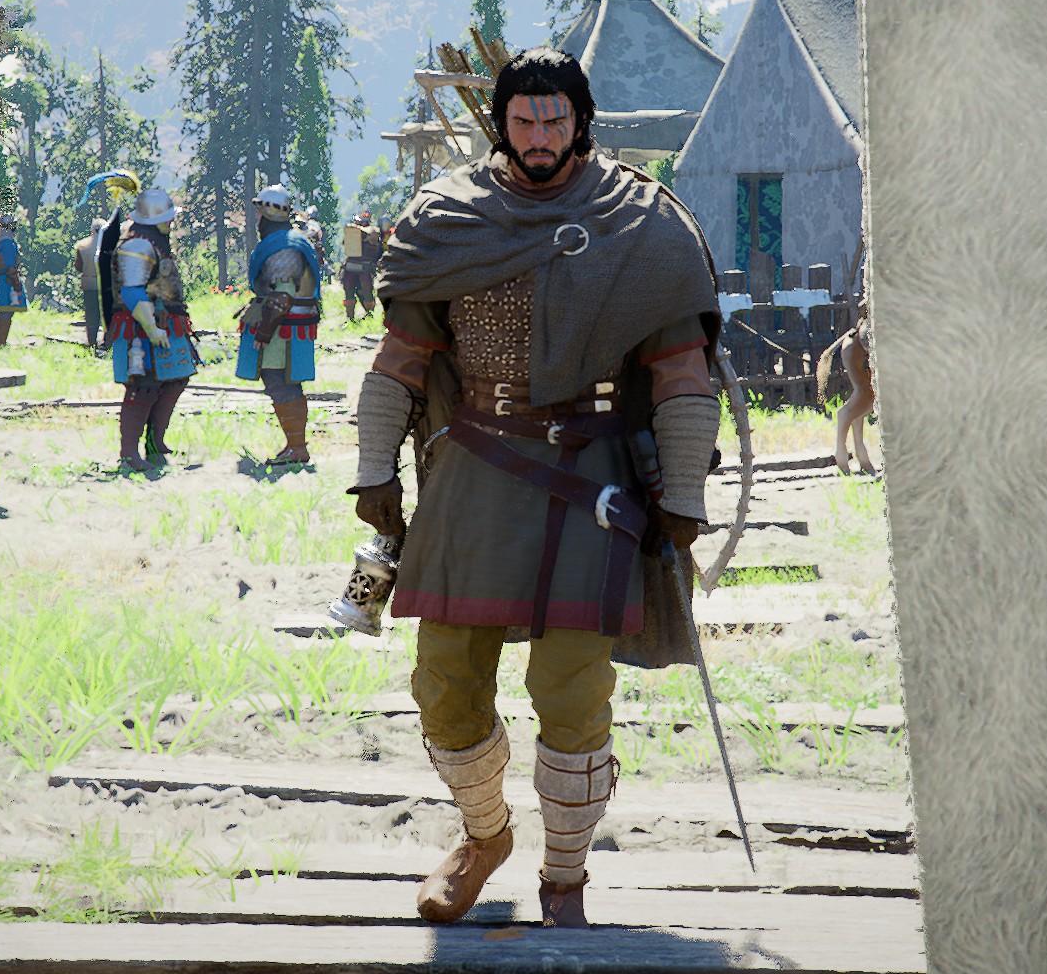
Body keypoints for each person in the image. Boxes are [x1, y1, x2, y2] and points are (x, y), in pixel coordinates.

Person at [348, 47, 724, 929]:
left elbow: (681, 374)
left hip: (592, 481)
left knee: (572, 689)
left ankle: (565, 877)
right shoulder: (450, 217)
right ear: (501, 124)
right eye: (524, 119)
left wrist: (682, 494)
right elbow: (401, 362)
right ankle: (483, 837)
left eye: (556, 118)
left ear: (580, 120)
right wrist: (373, 471)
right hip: (473, 472)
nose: (541, 134)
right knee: (444, 679)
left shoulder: (641, 222)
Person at [107, 185, 198, 471]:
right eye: (168, 217)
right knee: (143, 388)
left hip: (167, 324)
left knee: (175, 380)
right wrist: (151, 328)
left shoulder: (154, 241)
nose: (171, 222)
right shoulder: (137, 245)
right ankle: (129, 453)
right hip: (141, 329)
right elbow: (133, 292)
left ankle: (156, 444)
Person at [236, 183, 324, 467]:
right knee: (286, 384)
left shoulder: (283, 246)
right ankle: (295, 445)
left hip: (284, 328)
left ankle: (296, 447)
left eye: (259, 210)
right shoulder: (291, 239)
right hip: (291, 325)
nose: (257, 218)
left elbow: (283, 293)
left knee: (282, 383)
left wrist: (265, 330)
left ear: (267, 212)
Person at [75, 171, 140, 350]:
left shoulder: (83, 245)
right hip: (108, 284)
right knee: (108, 311)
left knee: (92, 314)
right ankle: (107, 340)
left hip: (89, 283)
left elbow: (78, 267)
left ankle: (92, 343)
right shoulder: (114, 242)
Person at [339, 207, 384, 323]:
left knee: (366, 290)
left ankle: (369, 315)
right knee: (348, 289)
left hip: (365, 266)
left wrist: (359, 230)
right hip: (351, 265)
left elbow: (373, 234)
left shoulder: (373, 230)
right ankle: (350, 318)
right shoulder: (352, 230)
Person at [0, 218, 25, 346]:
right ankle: (1, 342)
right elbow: (10, 266)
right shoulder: (7, 242)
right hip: (6, 281)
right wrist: (16, 283)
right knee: (5, 313)